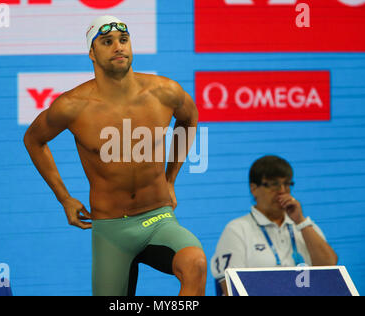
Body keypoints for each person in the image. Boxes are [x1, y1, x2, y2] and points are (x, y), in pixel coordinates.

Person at [23, 15, 206, 296]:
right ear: (92, 53)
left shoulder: (164, 92)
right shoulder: (73, 106)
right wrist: (65, 198)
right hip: (111, 230)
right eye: (107, 42)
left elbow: (189, 119)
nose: (118, 47)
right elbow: (34, 140)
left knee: (195, 263)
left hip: (158, 219)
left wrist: (170, 179)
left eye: (123, 40)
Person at [211, 155, 338, 296]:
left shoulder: (303, 226)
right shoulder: (237, 229)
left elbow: (329, 268)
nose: (282, 191)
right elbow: (230, 288)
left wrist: (301, 221)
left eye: (287, 184)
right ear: (254, 188)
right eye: (274, 184)